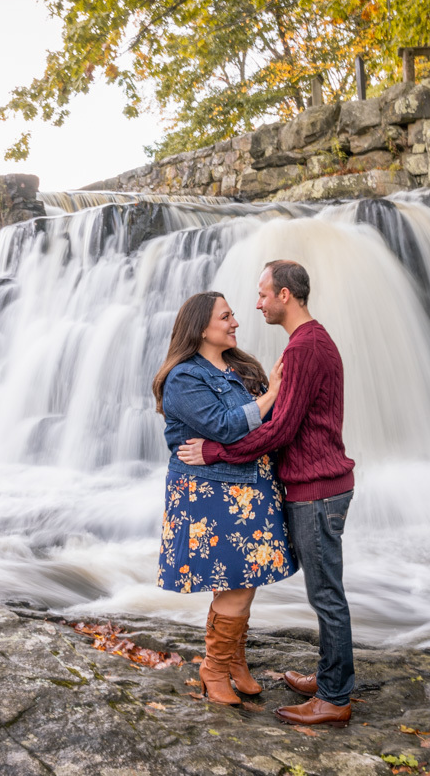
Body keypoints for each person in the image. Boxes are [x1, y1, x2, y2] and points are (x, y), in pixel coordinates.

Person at [178, 260, 356, 728]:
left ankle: (335, 696)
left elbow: (280, 431)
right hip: (309, 485)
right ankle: (328, 676)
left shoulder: (303, 348)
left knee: (326, 596)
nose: (254, 306)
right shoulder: (307, 343)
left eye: (261, 295)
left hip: (316, 488)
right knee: (323, 592)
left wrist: (215, 451)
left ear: (284, 295)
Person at [153, 291, 298, 706]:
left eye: (233, 315)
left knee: (245, 579)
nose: (236, 322)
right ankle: (213, 668)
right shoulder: (184, 377)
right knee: (233, 582)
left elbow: (267, 425)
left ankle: (233, 661)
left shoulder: (239, 367)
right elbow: (226, 426)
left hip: (253, 487)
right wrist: (273, 394)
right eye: (226, 316)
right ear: (201, 327)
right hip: (211, 493)